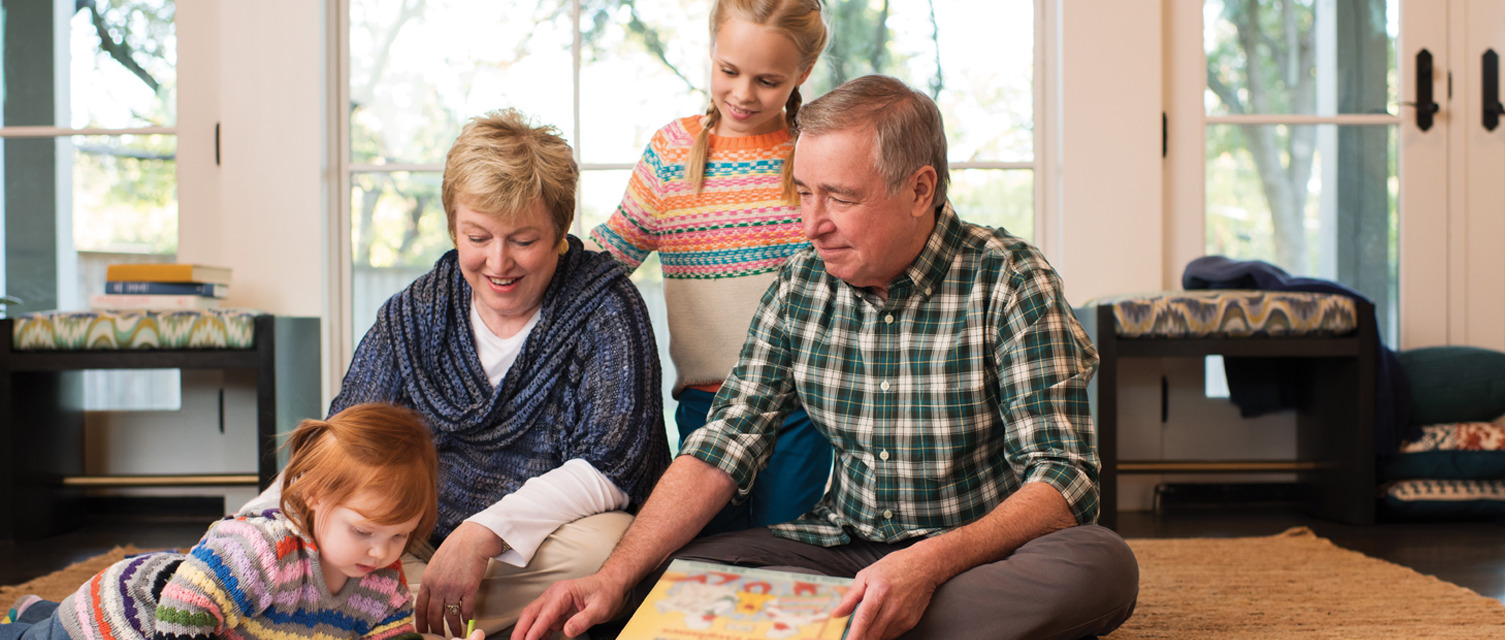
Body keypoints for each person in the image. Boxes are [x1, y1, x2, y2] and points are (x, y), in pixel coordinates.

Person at [515, 75, 1140, 640]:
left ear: (920, 189)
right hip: (842, 547)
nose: (812, 223)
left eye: (840, 198)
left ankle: (826, 622)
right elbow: (723, 444)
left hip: (973, 558)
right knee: (663, 576)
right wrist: (614, 578)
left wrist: (926, 565)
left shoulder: (1010, 280)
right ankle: (864, 621)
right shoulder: (801, 284)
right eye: (804, 193)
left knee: (1098, 567)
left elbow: (1064, 478)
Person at [242, 108, 671, 638]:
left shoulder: (605, 306)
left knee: (605, 546)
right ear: (453, 227)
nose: (499, 262)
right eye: (478, 236)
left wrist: (483, 532)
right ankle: (388, 611)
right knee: (327, 533)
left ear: (560, 231)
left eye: (523, 240)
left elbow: (613, 466)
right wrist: (251, 528)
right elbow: (343, 441)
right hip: (406, 537)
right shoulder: (416, 311)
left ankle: (360, 612)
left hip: (532, 547)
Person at [589, 0, 832, 537]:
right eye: (729, 71)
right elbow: (607, 258)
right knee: (706, 553)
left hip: (800, 409)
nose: (743, 94)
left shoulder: (815, 152)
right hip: (706, 408)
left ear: (802, 74)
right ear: (712, 53)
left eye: (768, 80)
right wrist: (530, 253)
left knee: (783, 553)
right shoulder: (671, 153)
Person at [0, 403, 453, 640]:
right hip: (129, 621)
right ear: (311, 497)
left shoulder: (380, 578)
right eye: (364, 531)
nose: (382, 552)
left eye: (399, 536)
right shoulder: (260, 548)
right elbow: (184, 617)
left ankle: (38, 611)